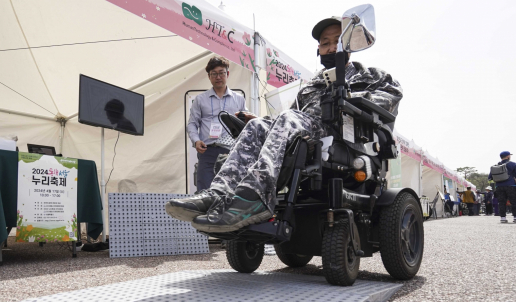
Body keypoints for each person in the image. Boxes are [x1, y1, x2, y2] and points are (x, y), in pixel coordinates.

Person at [166, 16, 402, 232]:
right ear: (318, 50)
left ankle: (254, 196)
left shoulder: (370, 76)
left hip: (346, 139)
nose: (330, 47)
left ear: (347, 46)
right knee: (256, 127)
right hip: (308, 137)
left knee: (287, 120)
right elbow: (292, 117)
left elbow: (391, 97)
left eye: (336, 42)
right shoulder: (312, 86)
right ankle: (219, 194)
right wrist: (262, 121)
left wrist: (351, 98)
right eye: (325, 43)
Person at [186, 56, 247, 192]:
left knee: (230, 192)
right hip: (207, 151)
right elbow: (192, 124)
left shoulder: (239, 99)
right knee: (205, 192)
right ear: (209, 76)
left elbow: (246, 125)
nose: (218, 76)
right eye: (214, 74)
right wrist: (196, 141)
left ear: (228, 74)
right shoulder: (200, 100)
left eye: (221, 72)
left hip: (231, 152)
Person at [488, 151, 516, 223]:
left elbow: (490, 178)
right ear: (508, 156)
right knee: (514, 201)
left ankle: (503, 218)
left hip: (499, 186)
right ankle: (515, 217)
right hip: (511, 185)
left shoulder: (495, 166)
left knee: (501, 202)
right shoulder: (513, 164)